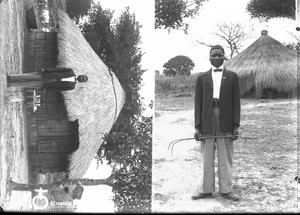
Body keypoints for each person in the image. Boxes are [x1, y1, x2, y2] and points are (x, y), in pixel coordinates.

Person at [193, 45, 241, 201]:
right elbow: (197, 103)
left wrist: (235, 125)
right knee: (206, 155)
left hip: (225, 118)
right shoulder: (201, 78)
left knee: (225, 154)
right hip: (207, 117)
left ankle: (226, 190)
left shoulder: (233, 77)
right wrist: (197, 126)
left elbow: (236, 103)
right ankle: (206, 189)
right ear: (209, 58)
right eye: (213, 56)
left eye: (219, 55)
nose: (216, 58)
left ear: (224, 57)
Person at [7, 67, 88, 92]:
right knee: (28, 77)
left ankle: (11, 84)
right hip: (48, 75)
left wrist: (47, 89)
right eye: (82, 76)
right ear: (81, 74)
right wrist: (47, 70)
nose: (81, 78)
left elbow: (59, 89)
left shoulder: (71, 87)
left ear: (82, 82)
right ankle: (11, 78)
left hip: (49, 84)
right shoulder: (70, 71)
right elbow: (58, 70)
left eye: (83, 79)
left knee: (29, 84)